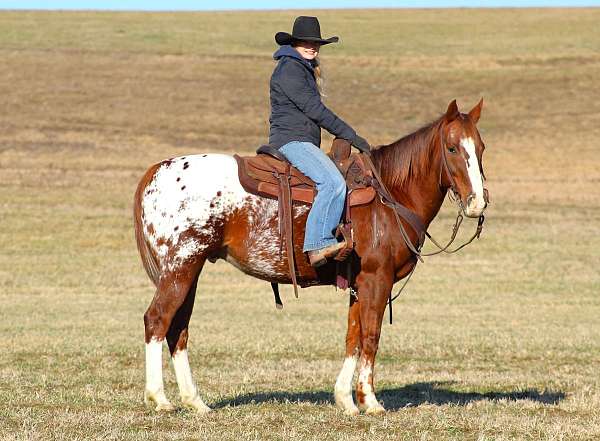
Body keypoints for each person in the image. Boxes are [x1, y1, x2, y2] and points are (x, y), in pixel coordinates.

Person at [269, 16, 371, 267]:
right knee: (333, 182)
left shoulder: (300, 68)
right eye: (306, 42)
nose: (312, 47)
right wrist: (351, 135)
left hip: (301, 140)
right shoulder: (290, 70)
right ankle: (318, 244)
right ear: (294, 43)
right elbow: (315, 110)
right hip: (292, 141)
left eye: (316, 43)